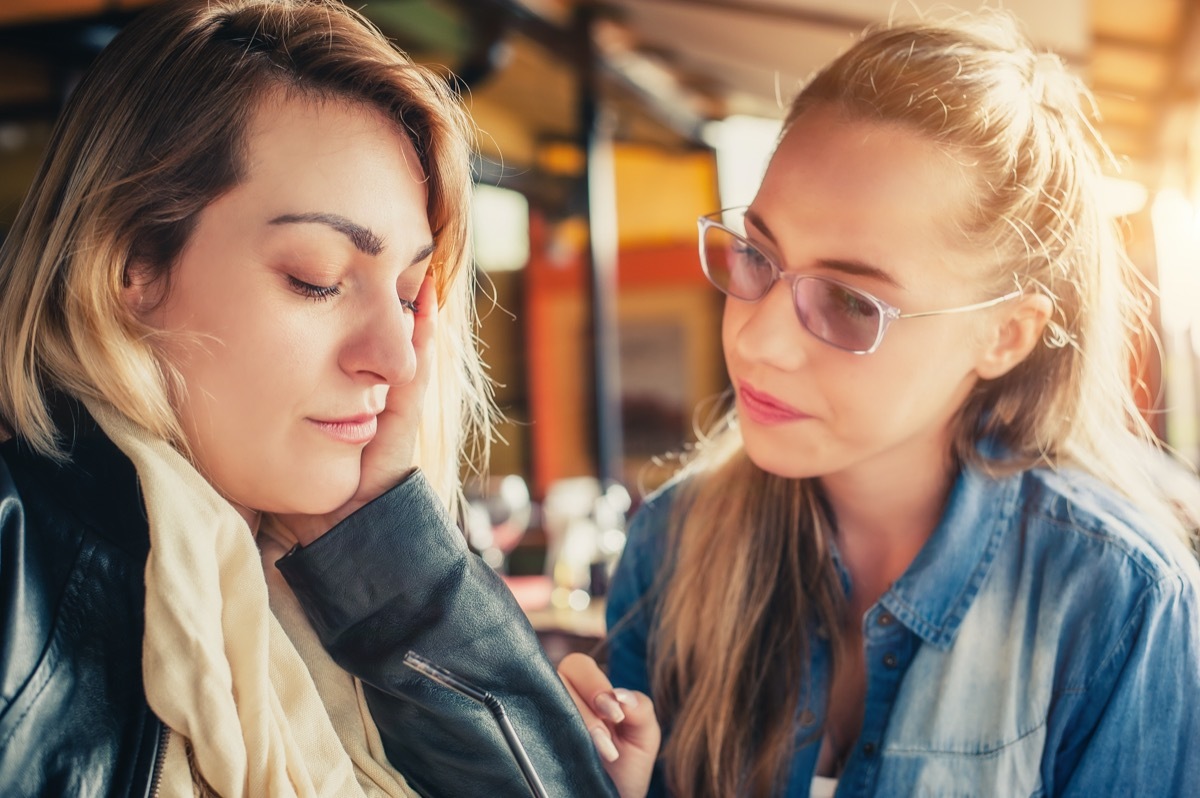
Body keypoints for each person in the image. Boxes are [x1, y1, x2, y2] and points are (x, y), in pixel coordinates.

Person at [0, 1, 652, 796]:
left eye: (411, 295)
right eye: (316, 279)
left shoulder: (357, 598)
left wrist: (399, 563)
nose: (396, 357)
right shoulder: (15, 575)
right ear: (131, 264)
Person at [593, 9, 1200, 798]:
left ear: (1007, 336)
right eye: (758, 254)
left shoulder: (1121, 604)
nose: (758, 341)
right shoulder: (671, 546)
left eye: (849, 301)